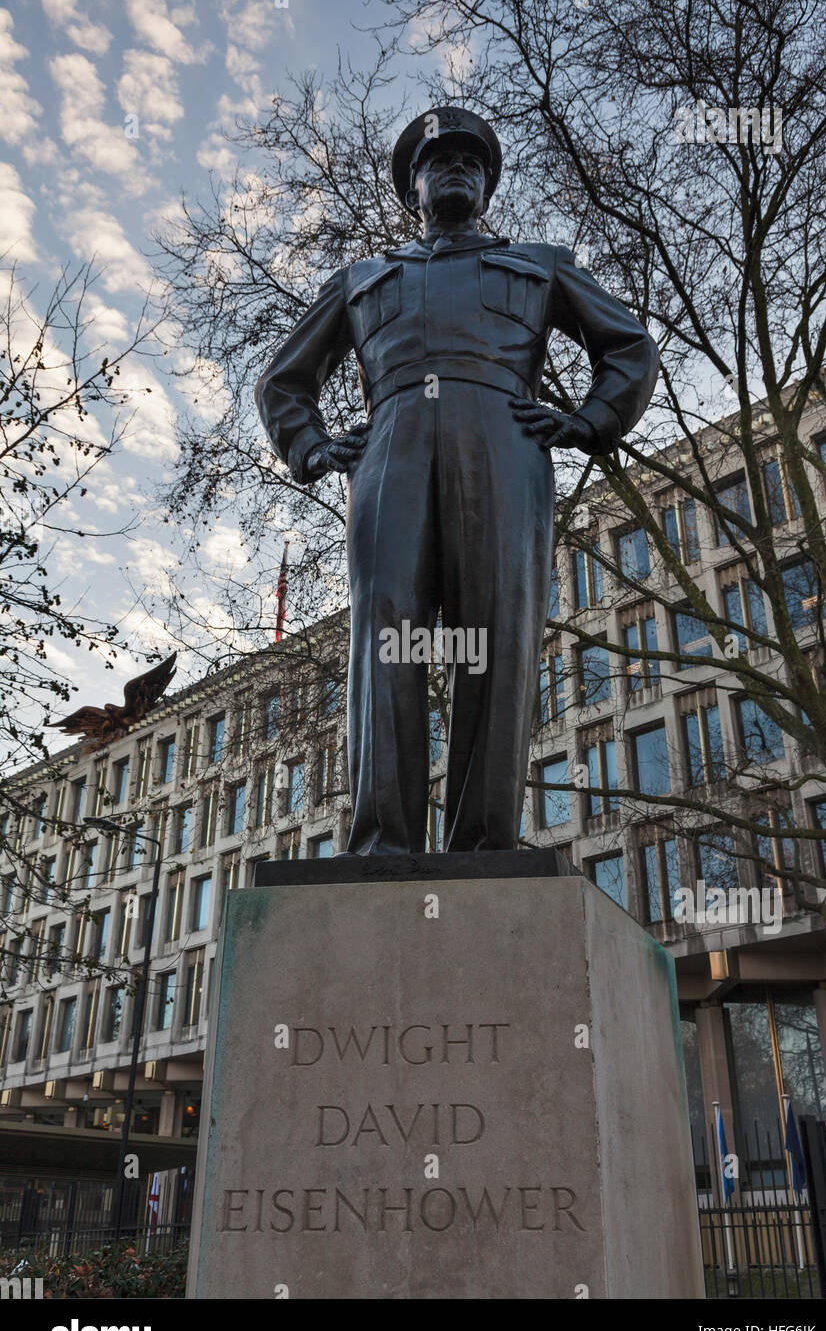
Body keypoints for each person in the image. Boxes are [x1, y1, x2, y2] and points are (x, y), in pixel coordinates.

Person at [255, 107, 659, 854]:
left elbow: (629, 345)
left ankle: (483, 841)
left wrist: (591, 419)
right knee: (386, 636)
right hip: (391, 452)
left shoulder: (542, 263)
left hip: (503, 446)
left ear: (488, 187)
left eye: (472, 164)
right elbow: (284, 379)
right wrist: (311, 446)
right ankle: (384, 842)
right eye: (439, 162)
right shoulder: (362, 278)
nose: (456, 171)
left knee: (500, 633)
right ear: (413, 188)